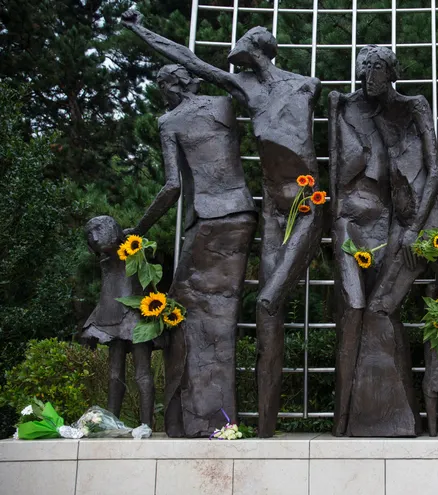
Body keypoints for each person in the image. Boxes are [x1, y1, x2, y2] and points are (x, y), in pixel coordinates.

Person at [122, 10, 324, 437]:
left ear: (257, 51)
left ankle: (254, 428)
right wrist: (141, 28)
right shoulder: (241, 91)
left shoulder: (307, 85)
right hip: (271, 209)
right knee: (267, 313)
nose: (237, 60)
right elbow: (190, 60)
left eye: (243, 51)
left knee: (269, 303)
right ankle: (259, 434)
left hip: (306, 204)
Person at [328, 45, 438, 436]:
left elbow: (435, 173)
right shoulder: (369, 112)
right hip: (399, 223)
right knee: (374, 310)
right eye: (363, 71)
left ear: (391, 73)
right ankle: (383, 417)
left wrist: (413, 229)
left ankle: (392, 417)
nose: (368, 78)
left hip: (426, 226)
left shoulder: (414, 106)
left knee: (380, 309)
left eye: (375, 70)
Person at [123, 62, 257, 437]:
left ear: (170, 86)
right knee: (220, 319)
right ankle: (218, 421)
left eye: (161, 84)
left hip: (212, 219)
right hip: (243, 212)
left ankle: (201, 421)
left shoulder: (170, 121)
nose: (161, 91)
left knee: (185, 312)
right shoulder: (224, 104)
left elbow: (171, 186)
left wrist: (139, 228)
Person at [80, 216, 154, 427]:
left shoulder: (134, 248)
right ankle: (112, 423)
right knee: (114, 374)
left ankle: (146, 424)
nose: (93, 238)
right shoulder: (105, 259)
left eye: (97, 231)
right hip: (110, 317)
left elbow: (146, 283)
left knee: (142, 372)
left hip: (134, 316)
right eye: (90, 236)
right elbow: (107, 292)